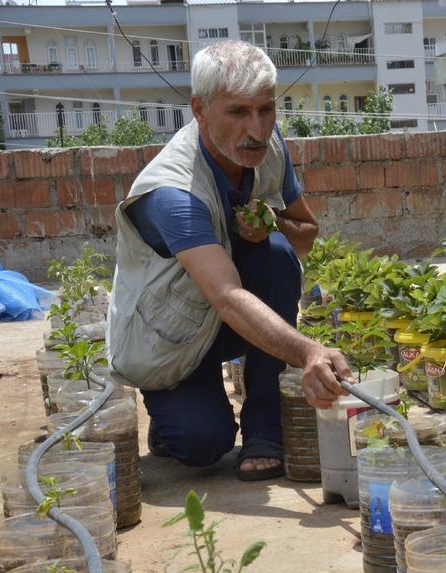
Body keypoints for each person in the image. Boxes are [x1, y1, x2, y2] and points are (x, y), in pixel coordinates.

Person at [106, 41, 353, 481]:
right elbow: (225, 295)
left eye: (266, 109)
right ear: (199, 109)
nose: (256, 129)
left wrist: (271, 221)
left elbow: (307, 235)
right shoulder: (174, 193)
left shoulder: (268, 148)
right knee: (202, 447)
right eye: (238, 112)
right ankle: (171, 415)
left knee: (275, 255)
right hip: (169, 340)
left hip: (224, 324)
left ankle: (264, 429)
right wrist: (309, 351)